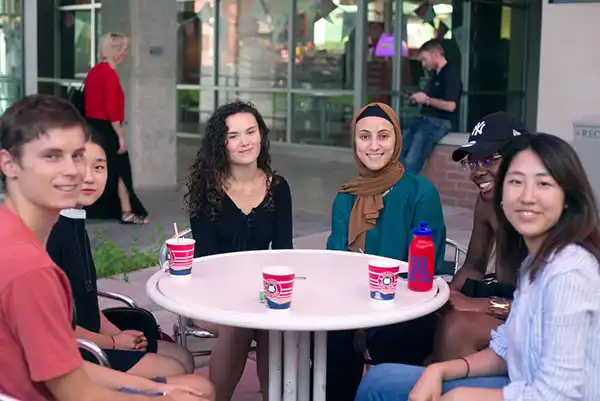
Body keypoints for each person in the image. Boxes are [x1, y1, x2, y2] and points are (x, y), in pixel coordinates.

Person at [355, 133, 600, 401]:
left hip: (539, 393)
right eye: (516, 182)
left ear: (568, 197)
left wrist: (464, 395)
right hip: (518, 379)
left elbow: (558, 394)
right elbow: (507, 346)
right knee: (380, 380)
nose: (528, 196)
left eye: (543, 184)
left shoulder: (570, 273)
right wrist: (440, 371)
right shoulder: (535, 262)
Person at [0, 94, 207, 401]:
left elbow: (65, 369)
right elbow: (74, 391)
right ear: (9, 164)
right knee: (200, 390)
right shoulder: (29, 268)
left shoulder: (14, 234)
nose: (75, 171)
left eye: (78, 155)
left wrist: (157, 388)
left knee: (191, 385)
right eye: (52, 156)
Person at [46, 135, 197, 377]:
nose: (89, 177)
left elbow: (86, 305)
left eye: (98, 167)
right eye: (80, 165)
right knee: (176, 370)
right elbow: (55, 328)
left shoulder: (74, 222)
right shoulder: (51, 233)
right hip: (75, 353)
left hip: (93, 340)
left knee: (183, 357)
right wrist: (114, 343)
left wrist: (117, 334)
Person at [325, 102, 446, 400]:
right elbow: (336, 261)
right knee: (330, 335)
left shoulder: (420, 192)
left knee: (395, 335)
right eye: (364, 136)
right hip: (354, 303)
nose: (374, 145)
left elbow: (429, 264)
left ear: (397, 140)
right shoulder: (345, 198)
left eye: (383, 136)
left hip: (408, 306)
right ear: (354, 142)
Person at [184, 100, 293, 401]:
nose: (245, 142)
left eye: (251, 132)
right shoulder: (206, 188)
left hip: (262, 294)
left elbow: (284, 253)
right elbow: (206, 260)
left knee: (272, 324)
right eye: (233, 136)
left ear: (261, 135)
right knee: (240, 323)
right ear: (222, 143)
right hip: (212, 295)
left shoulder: (278, 188)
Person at [433, 111, 530, 362]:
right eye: (472, 162)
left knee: (457, 329)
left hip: (538, 321)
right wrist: (443, 298)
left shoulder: (549, 211)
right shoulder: (487, 203)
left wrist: (485, 305)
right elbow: (474, 267)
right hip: (509, 301)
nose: (476, 172)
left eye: (488, 160)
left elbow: (552, 308)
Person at [83, 32, 148, 224]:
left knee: (107, 170)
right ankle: (127, 212)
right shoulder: (109, 74)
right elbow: (111, 109)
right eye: (124, 49)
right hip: (107, 128)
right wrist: (120, 135)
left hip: (93, 127)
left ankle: (122, 210)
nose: (126, 53)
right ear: (116, 51)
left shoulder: (94, 71)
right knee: (120, 171)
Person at [399, 39, 462, 174]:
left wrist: (426, 100)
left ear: (435, 54)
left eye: (424, 59)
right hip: (424, 120)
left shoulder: (451, 74)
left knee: (411, 161)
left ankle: (405, 191)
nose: (423, 64)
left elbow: (451, 106)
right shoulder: (435, 75)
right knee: (398, 153)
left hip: (438, 122)